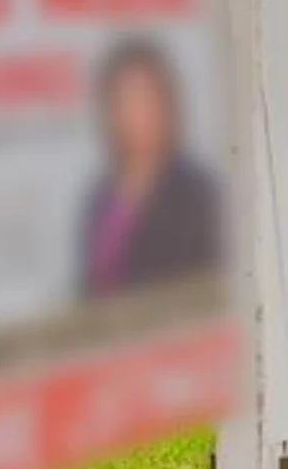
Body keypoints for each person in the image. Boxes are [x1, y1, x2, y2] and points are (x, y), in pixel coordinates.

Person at [77, 36, 225, 297]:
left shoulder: (195, 194)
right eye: (127, 101)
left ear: (167, 104)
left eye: (147, 98)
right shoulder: (100, 196)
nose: (139, 113)